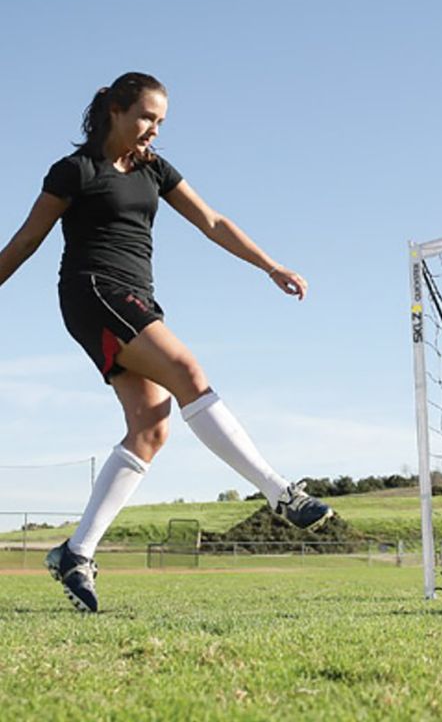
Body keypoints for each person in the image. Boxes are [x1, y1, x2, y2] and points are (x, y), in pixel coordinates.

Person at [0, 72, 333, 613]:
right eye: (145, 117)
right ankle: (280, 492)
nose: (153, 130)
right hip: (93, 292)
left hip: (137, 299)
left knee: (151, 428)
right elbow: (27, 238)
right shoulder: (75, 171)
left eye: (160, 121)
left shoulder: (154, 170)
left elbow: (213, 221)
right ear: (114, 110)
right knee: (187, 370)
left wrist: (270, 265)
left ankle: (75, 553)